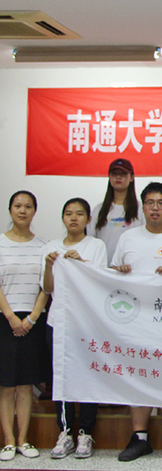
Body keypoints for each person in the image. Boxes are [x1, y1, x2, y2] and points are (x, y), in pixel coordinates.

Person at [112, 183, 162, 462]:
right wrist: (118, 271)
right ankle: (139, 437)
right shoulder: (128, 238)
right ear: (142, 207)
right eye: (150, 203)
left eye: (160, 203)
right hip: (135, 321)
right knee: (139, 376)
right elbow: (111, 276)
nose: (155, 208)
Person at [42, 198, 108, 459]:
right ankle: (66, 432)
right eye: (68, 213)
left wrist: (80, 262)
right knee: (61, 376)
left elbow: (100, 282)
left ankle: (85, 432)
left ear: (88, 219)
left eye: (79, 214)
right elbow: (48, 288)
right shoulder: (51, 247)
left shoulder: (96, 246)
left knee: (89, 375)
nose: (73, 218)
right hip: (58, 322)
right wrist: (49, 265)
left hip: (87, 323)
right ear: (63, 218)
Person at [0, 191, 48, 462]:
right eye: (18, 206)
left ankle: (23, 440)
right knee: (6, 384)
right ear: (10, 210)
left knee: (26, 384)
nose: (22, 210)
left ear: (34, 211)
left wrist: (31, 318)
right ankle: (8, 441)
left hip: (32, 321)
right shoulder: (0, 243)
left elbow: (46, 286)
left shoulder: (42, 246)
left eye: (28, 206)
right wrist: (10, 317)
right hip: (5, 319)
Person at [88, 158, 143, 262]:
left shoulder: (141, 209)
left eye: (123, 173)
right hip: (103, 266)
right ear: (109, 177)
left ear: (132, 177)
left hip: (131, 266)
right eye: (114, 174)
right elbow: (90, 240)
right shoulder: (99, 210)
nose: (118, 177)